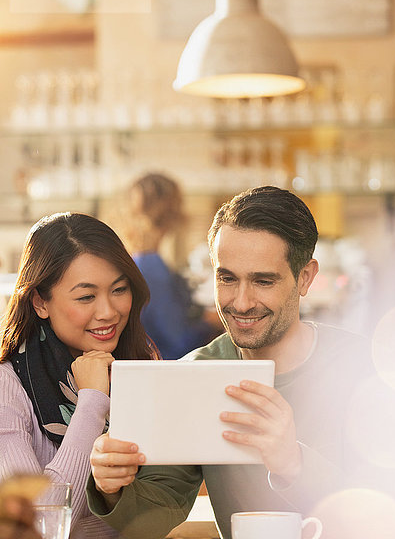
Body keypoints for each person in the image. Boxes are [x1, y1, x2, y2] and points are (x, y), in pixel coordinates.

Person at [87, 186, 373, 539]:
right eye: (227, 278)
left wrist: (293, 462)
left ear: (305, 278)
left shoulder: (365, 370)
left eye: (263, 281)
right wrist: (111, 486)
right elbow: (155, 514)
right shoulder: (196, 375)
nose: (241, 302)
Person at [0, 212, 158, 539]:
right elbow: (40, 526)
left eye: (119, 289)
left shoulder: (141, 365)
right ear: (40, 302)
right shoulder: (7, 385)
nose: (108, 312)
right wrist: (92, 402)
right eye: (86, 296)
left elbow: (158, 507)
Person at [119, 173, 220, 359]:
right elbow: (179, 342)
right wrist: (213, 321)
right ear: (173, 211)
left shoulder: (139, 261)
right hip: (166, 371)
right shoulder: (152, 267)